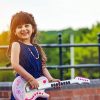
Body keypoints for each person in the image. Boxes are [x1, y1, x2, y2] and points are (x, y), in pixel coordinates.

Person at [8, 11, 60, 100]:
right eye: (19, 27)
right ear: (14, 31)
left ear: (33, 28)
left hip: (38, 87)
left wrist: (50, 79)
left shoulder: (36, 47)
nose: (23, 29)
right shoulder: (16, 44)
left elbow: (43, 67)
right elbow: (15, 65)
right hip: (24, 88)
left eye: (26, 25)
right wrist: (31, 79)